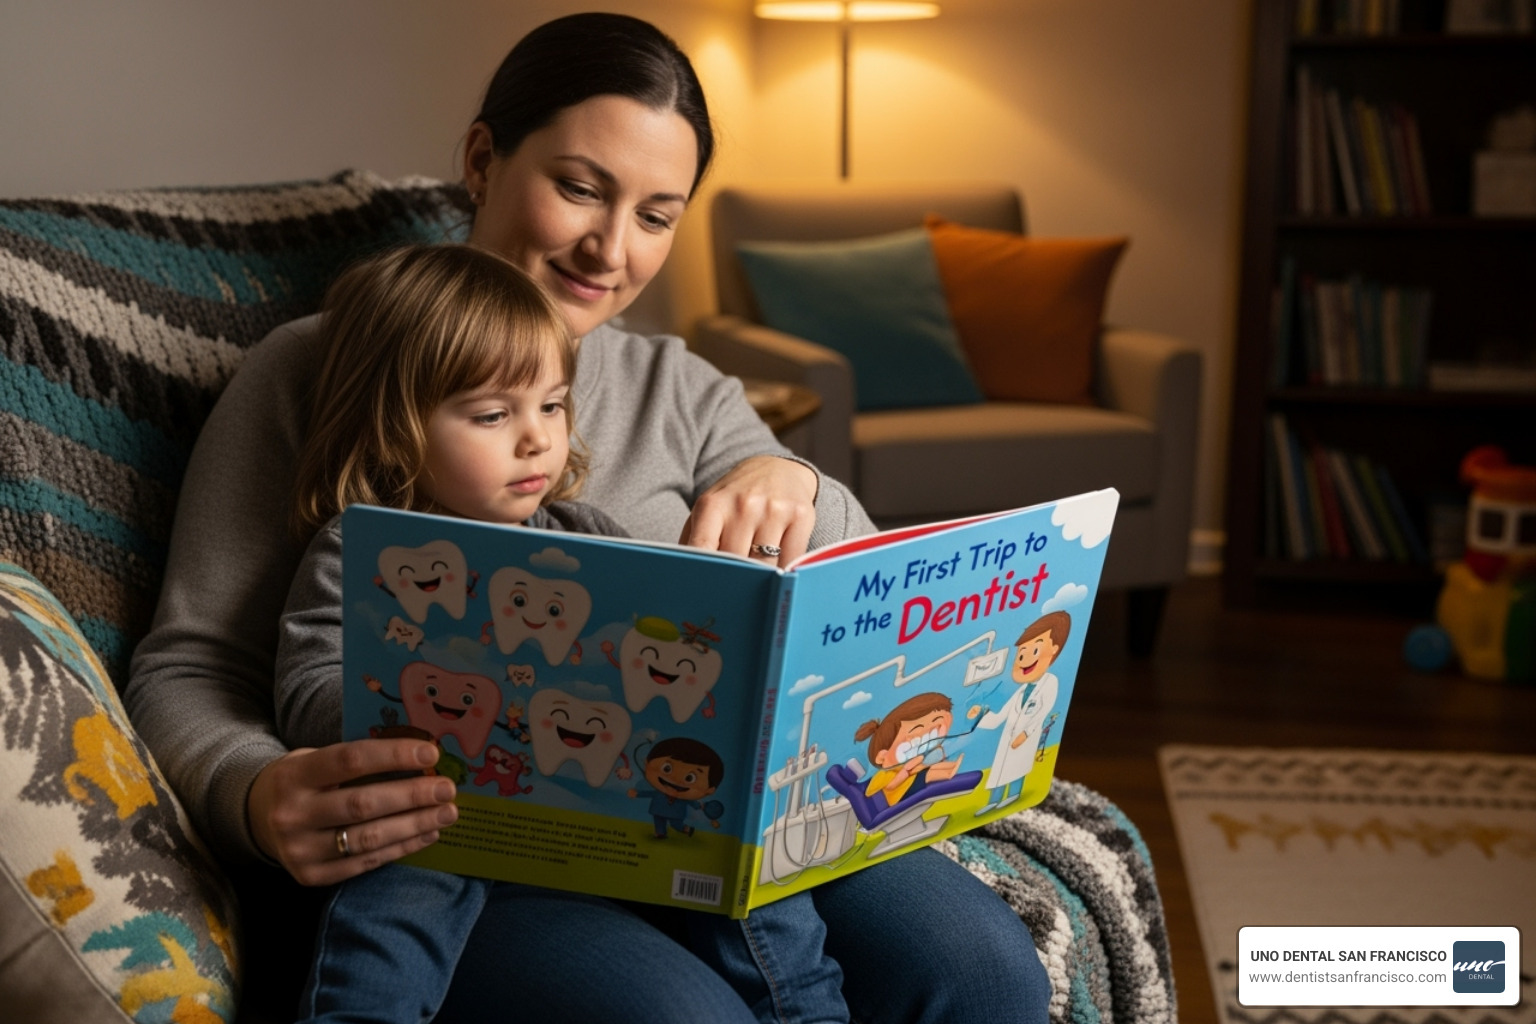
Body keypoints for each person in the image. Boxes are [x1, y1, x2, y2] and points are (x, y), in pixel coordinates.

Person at [126, 12, 1050, 1023]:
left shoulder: (683, 388)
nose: (612, 249)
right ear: (483, 158)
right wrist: (257, 793)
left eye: (659, 214)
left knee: (986, 967)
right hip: (482, 846)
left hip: (716, 814)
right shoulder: (325, 369)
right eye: (580, 189)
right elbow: (190, 667)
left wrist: (796, 483)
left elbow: (850, 595)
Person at [273, 243, 848, 1024]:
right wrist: (395, 711)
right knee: (405, 863)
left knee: (734, 839)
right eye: (491, 414)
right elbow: (304, 685)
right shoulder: (365, 548)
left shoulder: (587, 532)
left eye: (551, 404)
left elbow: (648, 641)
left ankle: (807, 1013)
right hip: (452, 806)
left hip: (606, 798)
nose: (538, 437)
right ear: (395, 429)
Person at [967, 612, 1068, 813]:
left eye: (1035, 649)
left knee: (1018, 768)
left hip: (1024, 737)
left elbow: (1044, 710)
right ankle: (992, 802)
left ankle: (1014, 795)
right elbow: (999, 717)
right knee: (1000, 771)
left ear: (1054, 649)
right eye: (1021, 654)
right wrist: (980, 714)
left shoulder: (1050, 682)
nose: (1025, 659)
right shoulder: (1020, 690)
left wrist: (1026, 733)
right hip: (1008, 737)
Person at [854, 692, 966, 808]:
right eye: (917, 728)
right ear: (882, 757)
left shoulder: (908, 762)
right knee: (927, 775)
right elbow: (883, 788)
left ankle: (952, 766)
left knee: (927, 770)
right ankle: (948, 772)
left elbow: (918, 765)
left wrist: (917, 764)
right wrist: (905, 773)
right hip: (900, 795)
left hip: (911, 780)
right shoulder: (884, 774)